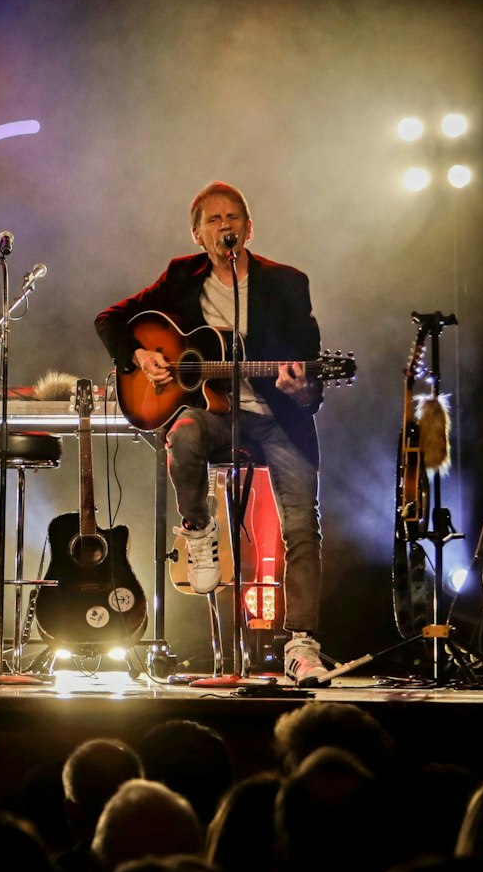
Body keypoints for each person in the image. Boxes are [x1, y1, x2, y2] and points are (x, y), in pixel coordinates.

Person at [95, 181, 327, 682]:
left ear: (249, 227)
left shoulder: (287, 283)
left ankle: (301, 643)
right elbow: (110, 319)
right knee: (182, 434)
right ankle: (198, 531)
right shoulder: (182, 276)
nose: (226, 226)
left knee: (301, 525)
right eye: (214, 220)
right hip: (214, 412)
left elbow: (311, 369)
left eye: (235, 217)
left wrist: (302, 388)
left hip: (276, 417)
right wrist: (139, 354)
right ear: (198, 234)